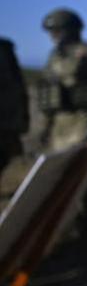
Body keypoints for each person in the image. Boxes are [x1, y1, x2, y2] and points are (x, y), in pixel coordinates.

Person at [34, 9, 87, 235]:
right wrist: (45, 127)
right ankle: (68, 219)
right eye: (52, 32)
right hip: (60, 121)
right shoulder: (54, 55)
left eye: (57, 31)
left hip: (82, 120)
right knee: (58, 174)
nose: (54, 36)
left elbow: (75, 76)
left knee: (81, 173)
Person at [0, 37, 30, 185]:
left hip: (7, 121)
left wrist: (23, 117)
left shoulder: (5, 49)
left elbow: (18, 86)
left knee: (5, 158)